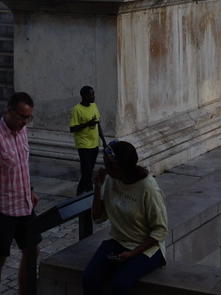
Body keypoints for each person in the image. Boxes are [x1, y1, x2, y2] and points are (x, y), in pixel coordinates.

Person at [84, 140, 168, 294]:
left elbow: (160, 231)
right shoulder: (110, 180)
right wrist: (97, 186)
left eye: (107, 165)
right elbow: (98, 217)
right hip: (118, 240)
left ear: (118, 169)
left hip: (147, 248)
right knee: (89, 278)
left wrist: (132, 254)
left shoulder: (148, 188)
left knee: (120, 285)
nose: (104, 168)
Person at [0, 92, 40, 295]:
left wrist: (30, 189)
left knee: (32, 251)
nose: (24, 121)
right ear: (10, 110)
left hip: (24, 206)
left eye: (28, 117)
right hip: (2, 210)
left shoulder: (23, 132)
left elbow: (22, 164)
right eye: (22, 116)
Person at [70, 85, 102, 193]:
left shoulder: (94, 106)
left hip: (95, 143)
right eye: (91, 94)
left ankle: (79, 193)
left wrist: (104, 141)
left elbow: (98, 125)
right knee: (87, 172)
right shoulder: (76, 109)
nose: (94, 96)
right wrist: (88, 124)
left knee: (87, 172)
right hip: (83, 144)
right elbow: (72, 128)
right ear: (85, 96)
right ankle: (90, 196)